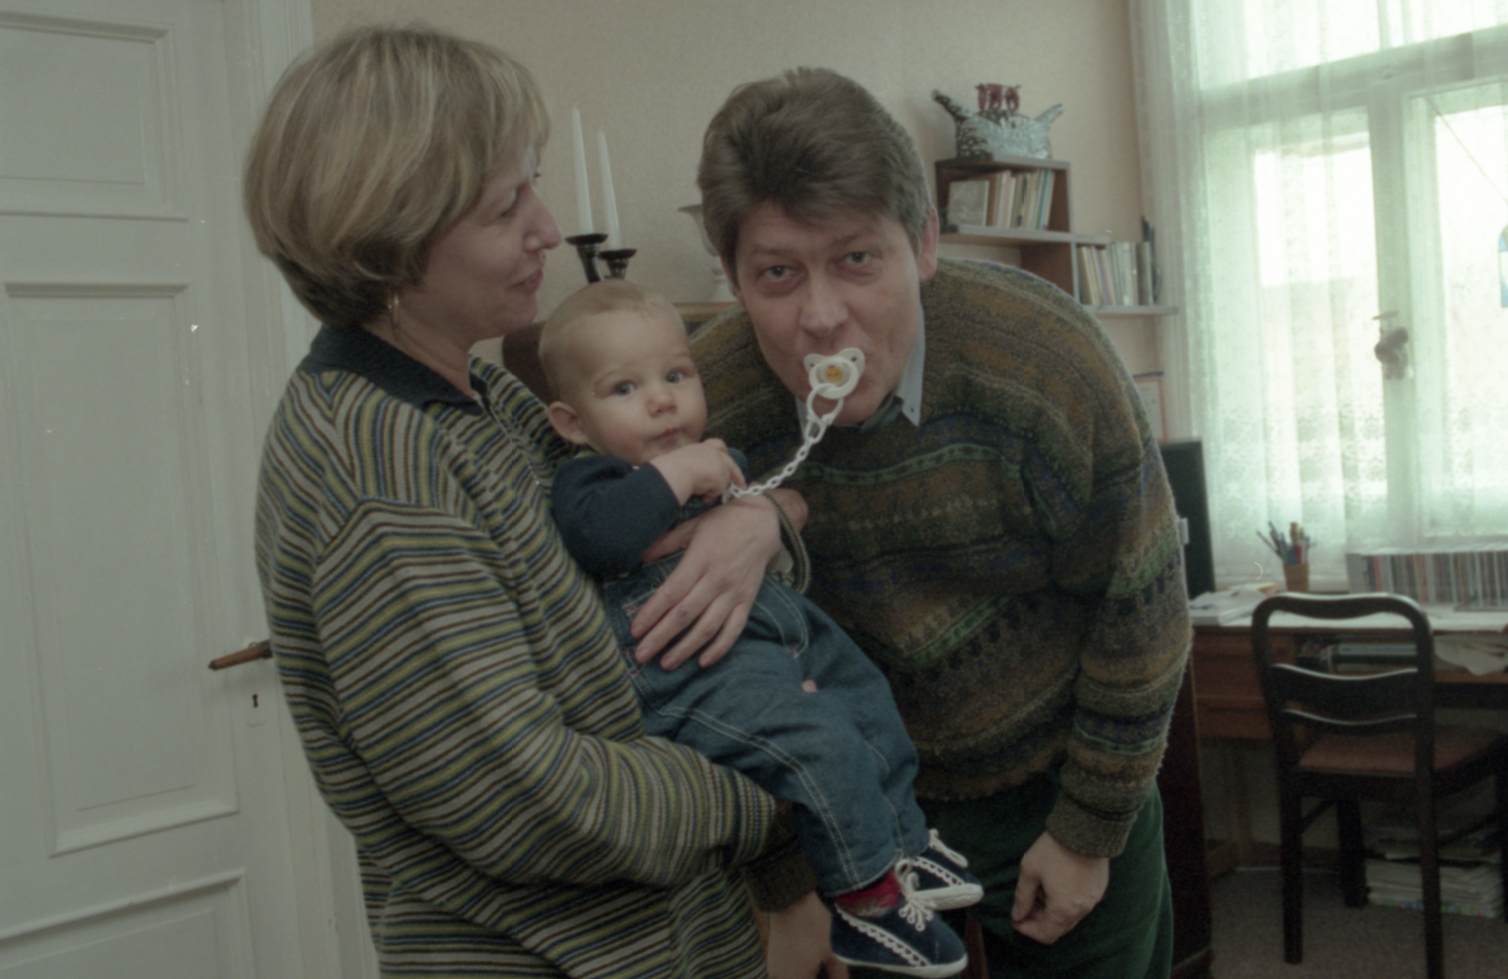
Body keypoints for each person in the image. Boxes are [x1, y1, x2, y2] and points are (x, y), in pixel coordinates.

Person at [244, 26, 841, 979]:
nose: (549, 229)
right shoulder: (378, 467)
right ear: (392, 239)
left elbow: (654, 563)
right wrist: (779, 787)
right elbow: (526, 799)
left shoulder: (485, 396)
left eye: (534, 186)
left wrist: (757, 521)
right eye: (505, 206)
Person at [691, 67, 1192, 979]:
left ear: (922, 242)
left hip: (1063, 779)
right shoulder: (706, 412)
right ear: (732, 278)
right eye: (776, 273)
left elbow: (1143, 609)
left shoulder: (1045, 362)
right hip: (854, 818)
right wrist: (792, 879)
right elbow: (709, 680)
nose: (820, 317)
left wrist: (1087, 832)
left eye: (857, 259)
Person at [537, 279, 984, 977]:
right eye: (624, 388)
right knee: (820, 746)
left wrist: (747, 494)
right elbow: (604, 540)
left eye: (676, 376)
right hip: (690, 671)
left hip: (773, 632)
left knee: (865, 692)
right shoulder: (589, 484)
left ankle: (904, 843)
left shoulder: (710, 457)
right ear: (571, 423)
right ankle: (866, 904)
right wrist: (680, 470)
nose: (662, 400)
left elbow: (767, 502)